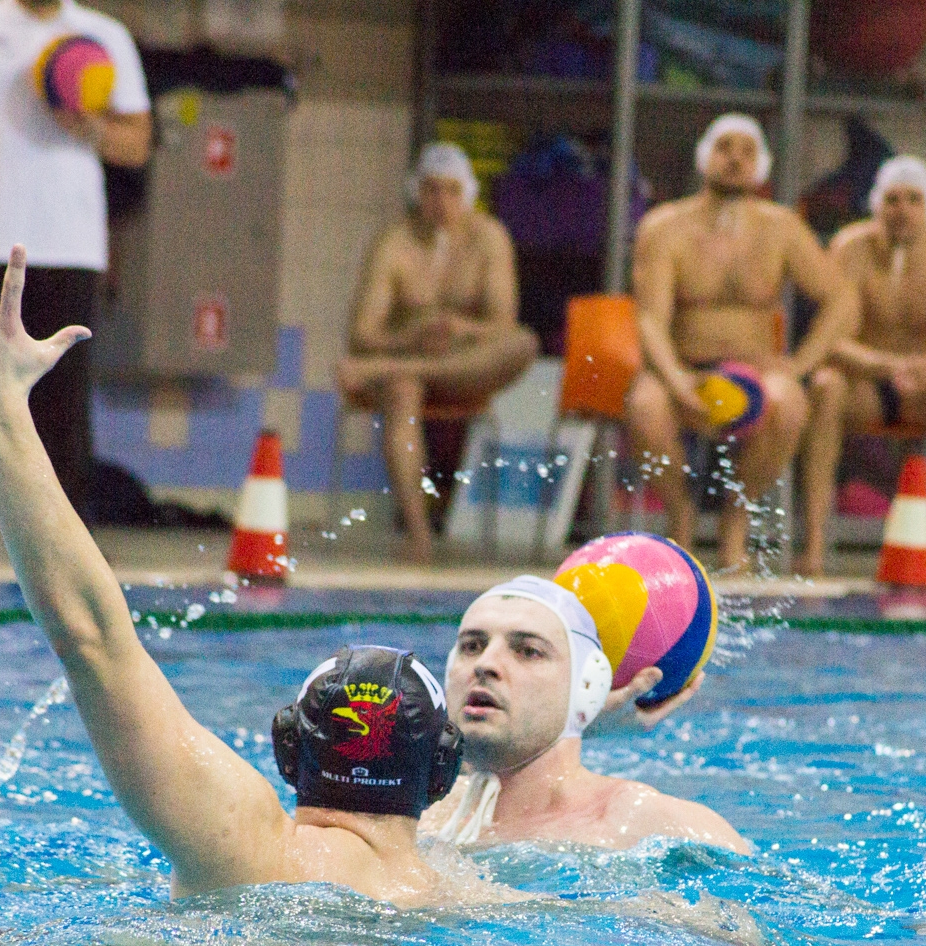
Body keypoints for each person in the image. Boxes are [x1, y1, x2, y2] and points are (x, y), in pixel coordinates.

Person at [0, 240, 471, 905]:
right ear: (442, 771)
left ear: (289, 749)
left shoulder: (246, 844)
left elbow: (90, 636)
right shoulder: (463, 898)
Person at [0, 0, 151, 564]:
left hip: (70, 245)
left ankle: (65, 551)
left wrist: (86, 122)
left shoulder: (104, 36)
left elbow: (137, 145)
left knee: (64, 406)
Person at [627, 114, 855, 571]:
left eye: (747, 150)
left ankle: (736, 521)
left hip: (758, 368)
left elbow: (841, 300)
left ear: (762, 165)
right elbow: (650, 319)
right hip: (685, 364)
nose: (735, 159)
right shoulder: (664, 227)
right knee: (645, 407)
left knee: (789, 403)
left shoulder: (782, 228)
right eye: (725, 147)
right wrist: (676, 382)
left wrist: (800, 365)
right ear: (704, 156)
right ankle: (682, 518)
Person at [421, 576, 750, 853]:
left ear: (587, 685)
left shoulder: (650, 827)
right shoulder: (414, 812)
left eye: (528, 651)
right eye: (472, 646)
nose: (485, 664)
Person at [337, 143, 540, 564]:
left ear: (467, 195)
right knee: (402, 389)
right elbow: (361, 334)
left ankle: (400, 367)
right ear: (415, 193)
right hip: (405, 370)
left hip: (467, 368)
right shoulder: (394, 245)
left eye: (451, 191)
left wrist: (460, 329)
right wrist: (412, 337)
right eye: (431, 190)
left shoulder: (489, 239)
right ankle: (418, 532)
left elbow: (504, 325)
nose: (441, 203)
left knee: (525, 343)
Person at [798, 156, 926, 578]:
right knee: (826, 385)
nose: (902, 209)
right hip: (867, 385)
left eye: (913, 199)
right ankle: (814, 547)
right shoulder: (850, 248)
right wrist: (884, 364)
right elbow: (831, 341)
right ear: (875, 205)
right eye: (892, 200)